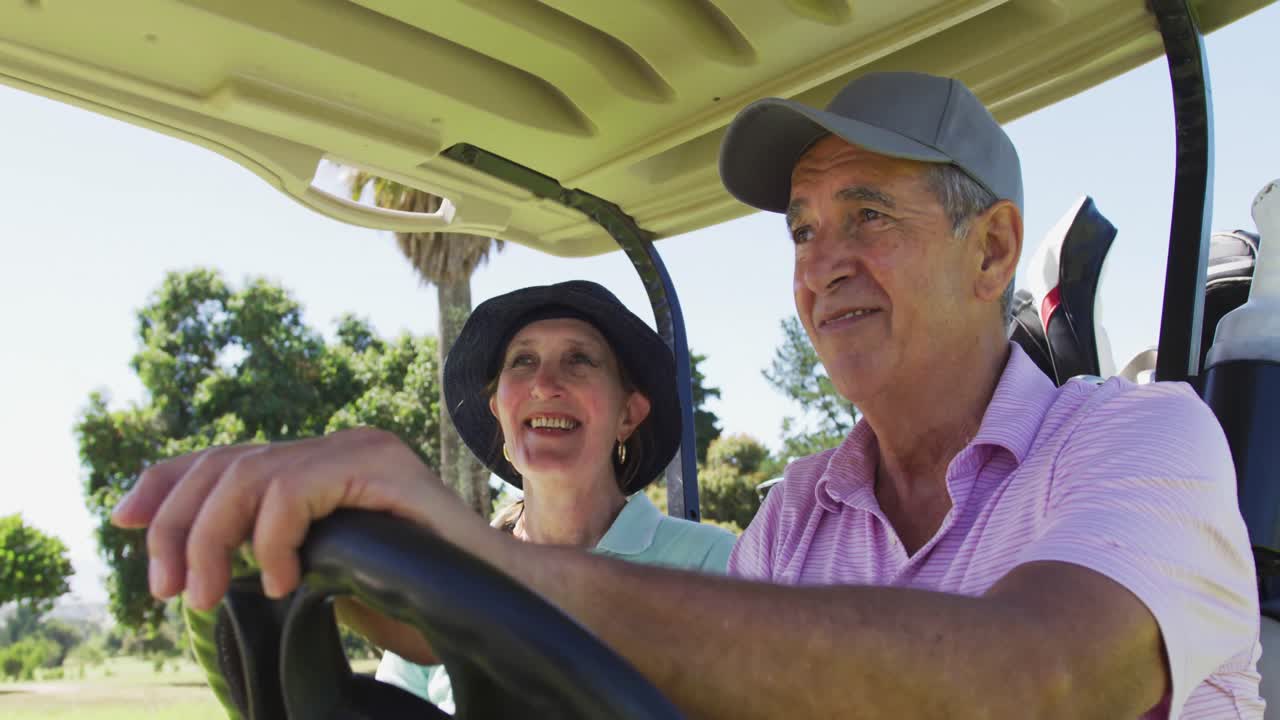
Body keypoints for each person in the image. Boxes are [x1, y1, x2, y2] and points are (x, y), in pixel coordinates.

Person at [113, 71, 1261, 718]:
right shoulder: (798, 515)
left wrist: (492, 570)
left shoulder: (1141, 438)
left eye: (867, 214)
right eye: (803, 230)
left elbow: (1040, 678)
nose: (821, 264)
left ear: (993, 247)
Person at [343, 280, 735, 711]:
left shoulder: (716, 565)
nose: (545, 385)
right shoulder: (448, 575)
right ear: (498, 409)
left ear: (628, 414)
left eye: (579, 359)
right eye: (523, 360)